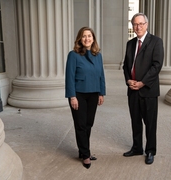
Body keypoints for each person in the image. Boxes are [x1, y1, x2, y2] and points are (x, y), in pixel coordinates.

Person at [123, 13, 164, 165]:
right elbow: (126, 66)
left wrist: (142, 82)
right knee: (135, 121)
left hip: (148, 90)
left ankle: (150, 150)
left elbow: (157, 65)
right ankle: (137, 148)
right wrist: (128, 80)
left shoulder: (156, 42)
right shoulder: (130, 44)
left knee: (150, 122)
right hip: (132, 89)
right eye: (135, 24)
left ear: (146, 24)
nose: (138, 27)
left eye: (141, 24)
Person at [65, 27, 106, 169]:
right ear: (80, 39)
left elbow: (101, 76)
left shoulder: (98, 55)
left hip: (94, 94)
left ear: (93, 38)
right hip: (79, 94)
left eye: (89, 36)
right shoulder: (73, 55)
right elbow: (69, 77)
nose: (87, 38)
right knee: (81, 125)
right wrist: (72, 96)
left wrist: (101, 93)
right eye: (84, 36)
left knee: (89, 123)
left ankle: (83, 150)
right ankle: (86, 155)